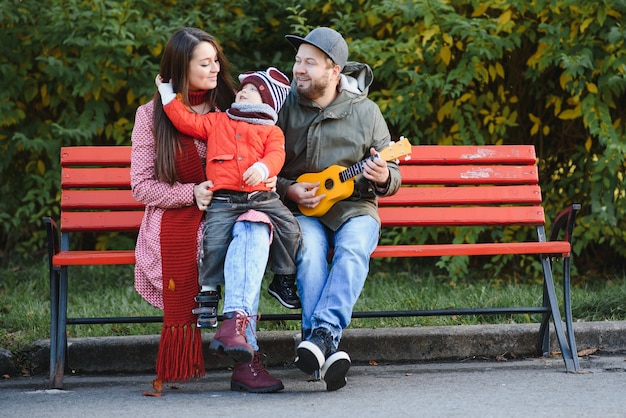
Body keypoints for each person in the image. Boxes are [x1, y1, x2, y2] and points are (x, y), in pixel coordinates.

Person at [130, 27, 283, 393]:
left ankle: (242, 346)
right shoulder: (152, 116)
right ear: (181, 68)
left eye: (216, 60)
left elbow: (269, 147)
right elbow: (141, 186)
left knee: (252, 230)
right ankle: (246, 353)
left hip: (235, 209)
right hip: (180, 217)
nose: (215, 69)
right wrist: (189, 193)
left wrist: (268, 175)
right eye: (205, 63)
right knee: (244, 235)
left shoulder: (235, 106)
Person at [276, 27, 402, 391]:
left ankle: (322, 336)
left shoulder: (366, 112)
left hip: (356, 207)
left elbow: (392, 172)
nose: (299, 69)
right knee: (311, 252)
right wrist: (291, 190)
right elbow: (268, 169)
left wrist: (382, 176)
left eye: (309, 63)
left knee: (352, 247)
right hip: (305, 209)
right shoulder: (285, 108)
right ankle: (322, 346)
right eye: (298, 61)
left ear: (334, 71)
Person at [155, 67, 302, 333]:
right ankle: (209, 291)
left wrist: (264, 169)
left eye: (254, 91)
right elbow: (186, 121)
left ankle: (283, 278)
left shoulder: (272, 131)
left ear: (268, 102)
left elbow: (276, 156)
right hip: (224, 199)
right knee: (213, 240)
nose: (244, 91)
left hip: (261, 196)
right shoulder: (218, 120)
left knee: (290, 227)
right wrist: (167, 94)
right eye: (244, 88)